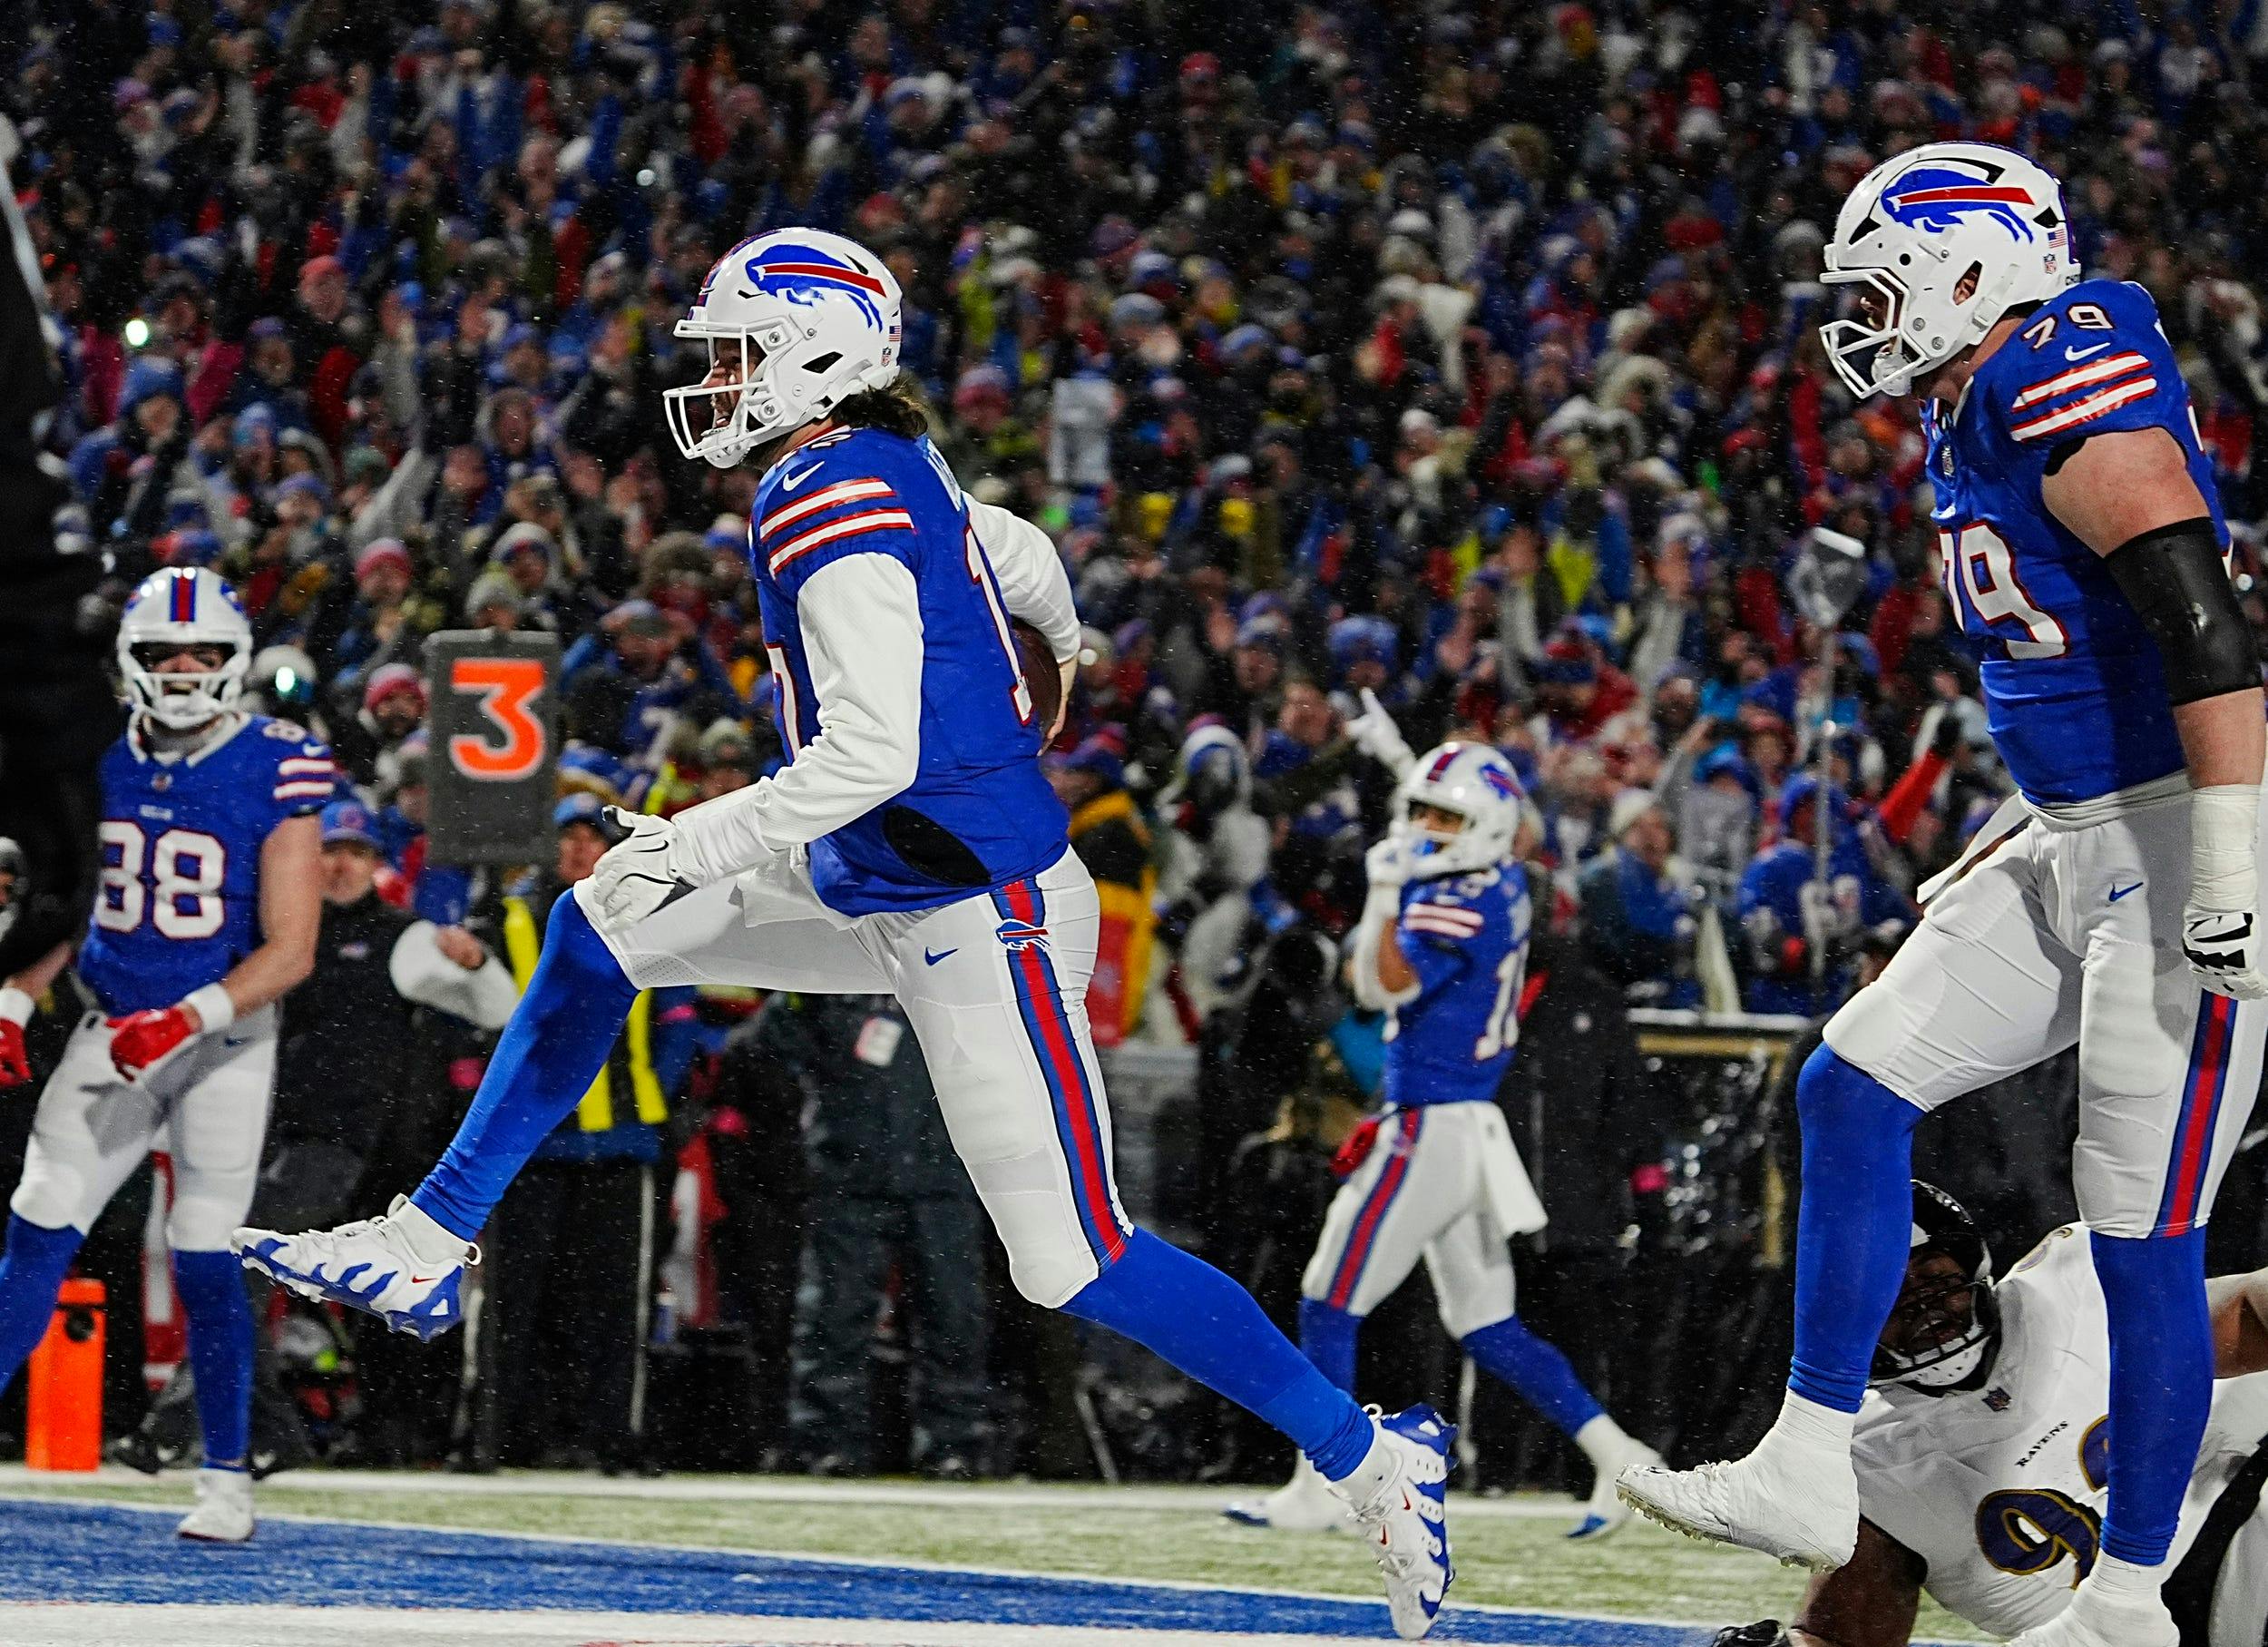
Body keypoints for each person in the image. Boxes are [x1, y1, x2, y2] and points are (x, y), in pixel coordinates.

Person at [237, 229, 1454, 1638]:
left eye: (741, 347)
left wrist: (701, 828)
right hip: (877, 874)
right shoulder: (892, 459)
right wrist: (1055, 653)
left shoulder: (832, 491)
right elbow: (1028, 556)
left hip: (975, 909)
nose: (719, 377)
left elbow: (870, 748)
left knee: (1072, 1258)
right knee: (596, 920)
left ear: (820, 348)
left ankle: (1373, 1454)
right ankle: (429, 1231)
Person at [1621, 142, 2268, 1647]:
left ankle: (2126, 1604)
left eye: (1876, 283)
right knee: (1851, 1083)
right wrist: (2024, 818)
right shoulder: (1973, 404)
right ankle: (1801, 1461)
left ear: (1969, 261)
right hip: (2076, 838)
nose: (1857, 316)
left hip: (2188, 843)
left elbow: (2208, 626)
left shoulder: (2065, 368)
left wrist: (2232, 859)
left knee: (2142, 1232)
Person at [1225, 741, 1657, 1539]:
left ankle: (1328, 1480)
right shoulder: (1505, 884)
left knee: (1328, 1297)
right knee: (1486, 1324)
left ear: (1486, 826)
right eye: (1419, 811)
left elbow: (1377, 984)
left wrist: (1384, 891)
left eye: (1445, 816)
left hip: (1429, 1124)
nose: (1425, 828)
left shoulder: (1449, 896)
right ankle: (1622, 1458)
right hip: (1467, 1126)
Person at [0, 566, 330, 1542]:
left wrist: (184, 1019)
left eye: (203, 654)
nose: (183, 670)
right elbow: (67, 903)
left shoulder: (279, 760)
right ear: (129, 663)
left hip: (221, 1036)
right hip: (114, 1022)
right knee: (39, 1219)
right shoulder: (96, 757)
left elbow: (293, 948)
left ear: (235, 663)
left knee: (203, 1246)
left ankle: (226, 1477)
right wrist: (16, 1000)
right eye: (161, 654)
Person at [1707, 1182, 2268, 1647]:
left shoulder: (2070, 1283)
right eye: (1889, 1296)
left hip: (2243, 1511)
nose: (1925, 1306)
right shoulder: (1871, 1468)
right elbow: (1843, 1637)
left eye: (1934, 1276)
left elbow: (2246, 1314)